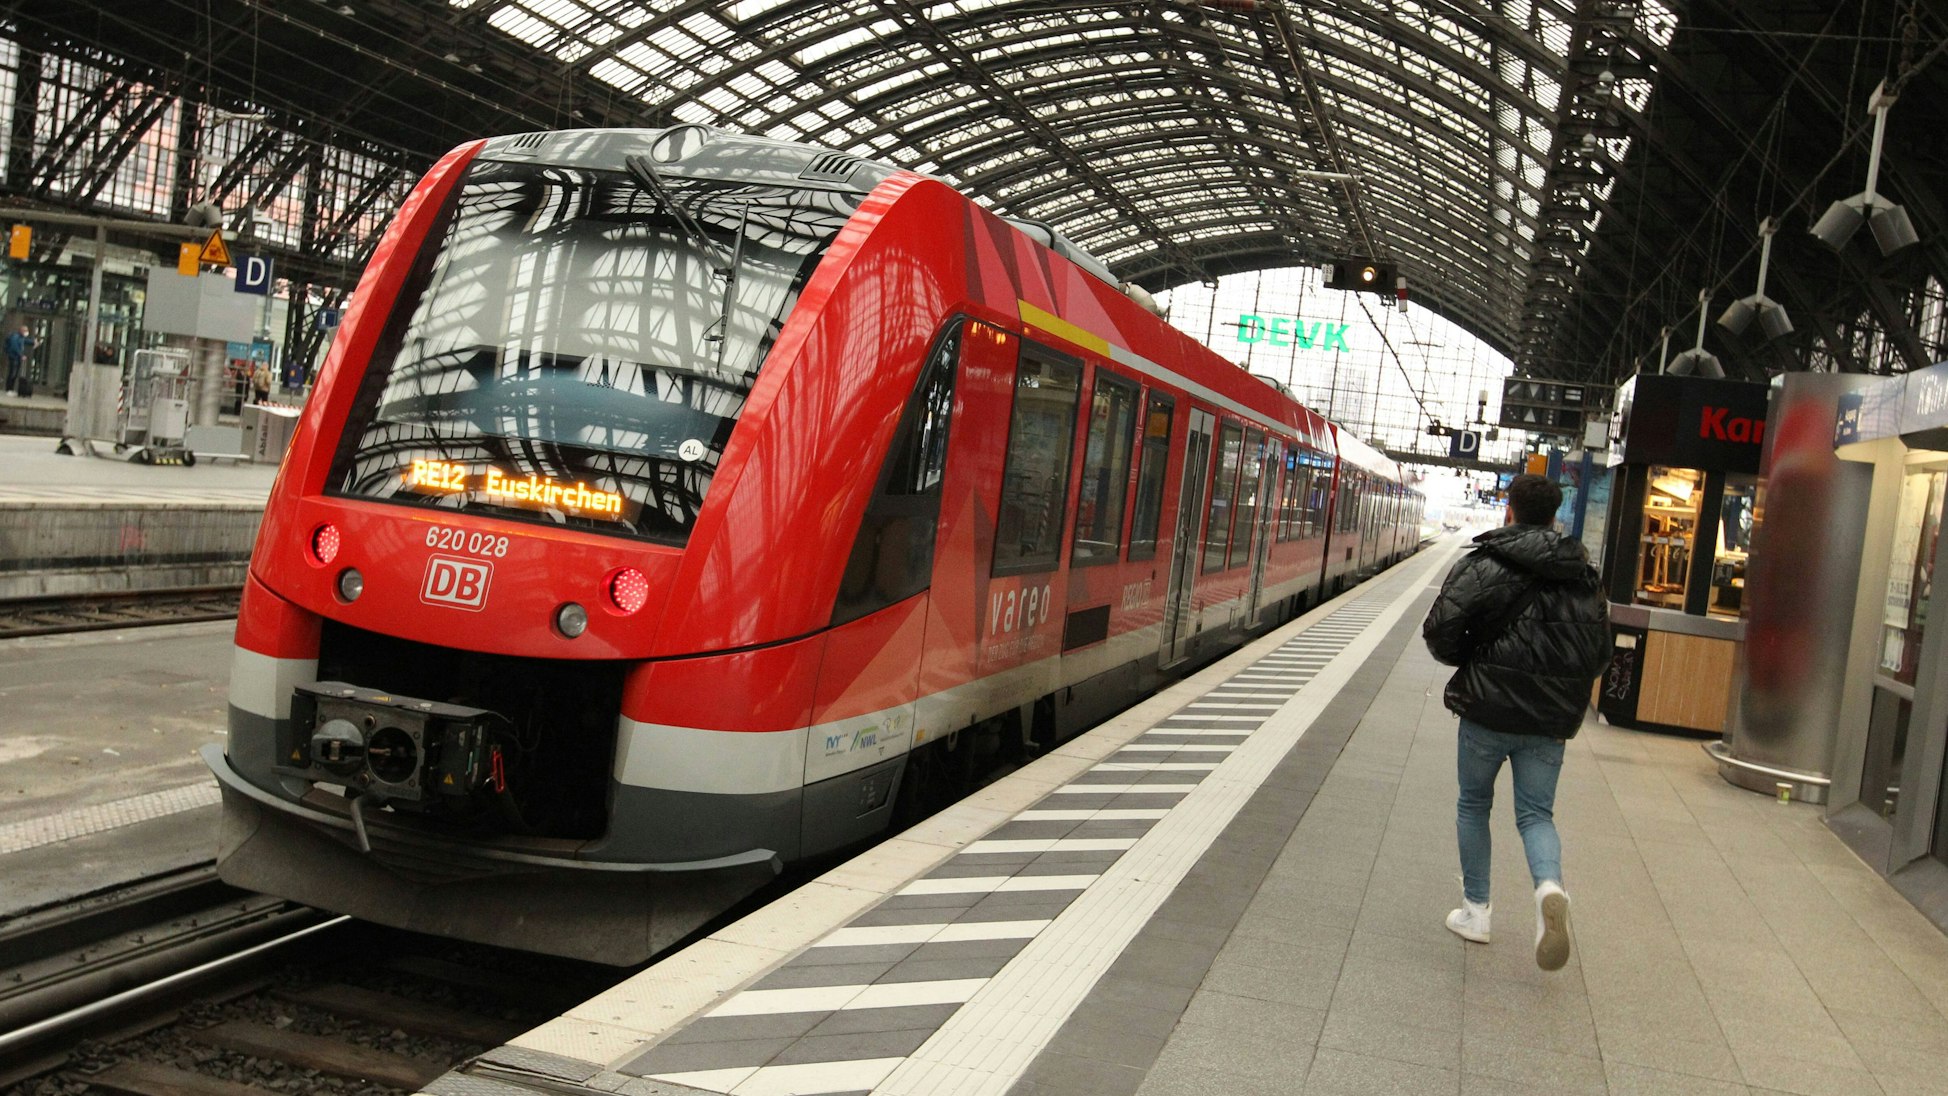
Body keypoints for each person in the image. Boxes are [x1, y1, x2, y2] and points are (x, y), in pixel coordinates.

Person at [1421, 474, 1609, 971]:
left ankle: (1476, 913)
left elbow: (1440, 630)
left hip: (1486, 710)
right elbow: (1600, 653)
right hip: (1548, 720)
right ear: (1555, 517)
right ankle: (1549, 887)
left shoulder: (1483, 562)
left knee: (1473, 804)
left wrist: (1471, 660)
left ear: (1509, 509)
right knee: (1536, 815)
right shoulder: (1584, 575)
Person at [4, 324, 33, 393]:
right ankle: (8, 389)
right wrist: (21, 355)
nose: (26, 332)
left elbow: (26, 341)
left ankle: (11, 389)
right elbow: (14, 347)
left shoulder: (21, 337)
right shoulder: (15, 337)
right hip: (14, 357)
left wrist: (33, 342)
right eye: (25, 330)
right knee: (12, 373)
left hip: (17, 358)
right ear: (21, 331)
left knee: (15, 373)